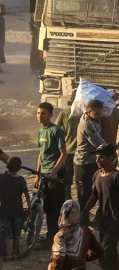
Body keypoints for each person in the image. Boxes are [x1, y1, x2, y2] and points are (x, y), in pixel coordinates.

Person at [82, 144, 119, 270]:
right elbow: (94, 196)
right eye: (97, 156)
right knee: (108, 256)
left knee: (104, 251)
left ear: (110, 158)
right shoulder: (96, 175)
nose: (98, 159)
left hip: (115, 222)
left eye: (101, 156)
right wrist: (83, 213)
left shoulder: (118, 177)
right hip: (101, 221)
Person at [36, 102, 69, 246]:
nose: (40, 116)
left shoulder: (56, 131)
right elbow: (41, 153)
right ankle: (48, 235)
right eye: (38, 113)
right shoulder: (40, 131)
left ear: (50, 115)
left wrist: (54, 171)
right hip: (44, 174)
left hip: (55, 174)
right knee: (43, 206)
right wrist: (38, 174)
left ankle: (52, 238)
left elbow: (64, 154)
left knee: (54, 208)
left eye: (43, 113)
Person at [74, 100, 107, 228]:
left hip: (91, 161)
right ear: (88, 111)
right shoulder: (86, 124)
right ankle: (83, 222)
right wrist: (111, 149)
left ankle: (87, 219)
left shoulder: (93, 120)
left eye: (100, 114)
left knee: (94, 191)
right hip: (83, 162)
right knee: (84, 194)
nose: (99, 116)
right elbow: (99, 143)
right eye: (96, 113)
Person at [0, 156, 29, 258]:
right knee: (17, 234)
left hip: (4, 211)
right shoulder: (21, 180)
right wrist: (29, 208)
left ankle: (8, 255)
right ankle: (15, 253)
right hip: (18, 211)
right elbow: (26, 195)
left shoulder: (1, 177)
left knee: (7, 235)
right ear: (19, 168)